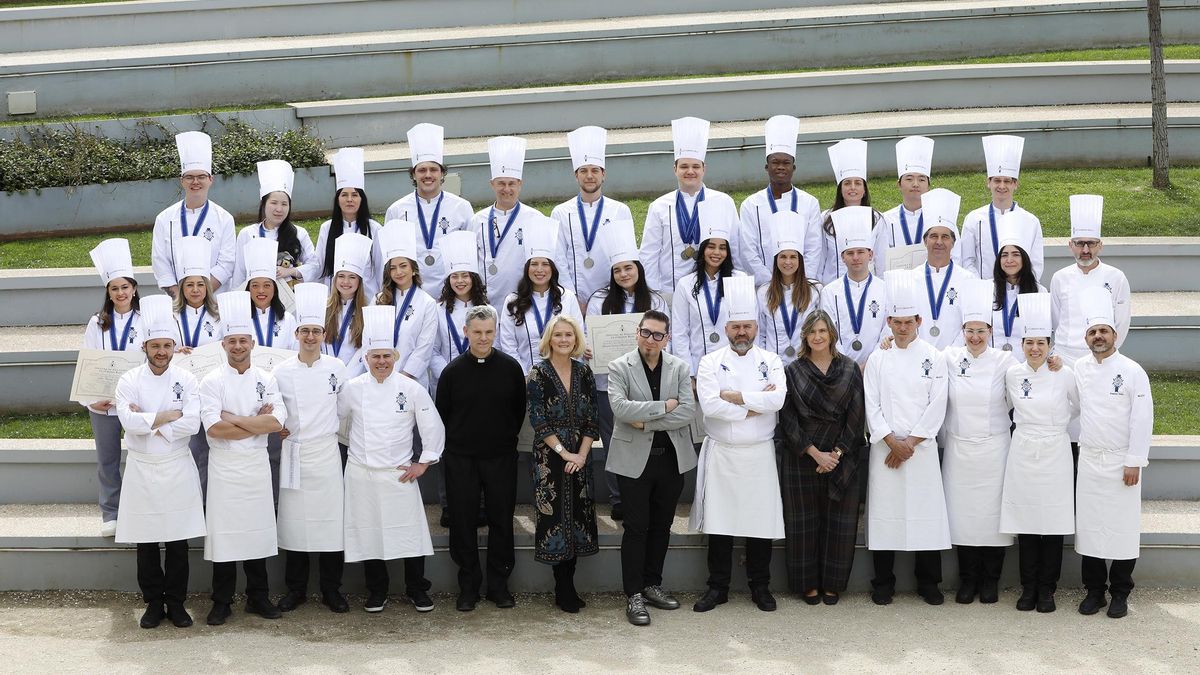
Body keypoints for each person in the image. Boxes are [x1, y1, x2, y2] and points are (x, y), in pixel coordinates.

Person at [339, 305, 445, 613]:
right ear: (365, 358)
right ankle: (377, 591)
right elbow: (334, 419)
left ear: (395, 358)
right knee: (370, 535)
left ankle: (417, 589)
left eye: (387, 356)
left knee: (410, 534)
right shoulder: (353, 389)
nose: (382, 362)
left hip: (399, 474)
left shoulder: (411, 388)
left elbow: (431, 426)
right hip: (362, 473)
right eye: (376, 356)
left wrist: (423, 462)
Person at [691, 276, 786, 613]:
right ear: (726, 327)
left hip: (759, 453)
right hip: (723, 454)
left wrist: (734, 397)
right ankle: (717, 587)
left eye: (747, 326)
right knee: (720, 525)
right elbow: (710, 405)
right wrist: (754, 404)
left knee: (759, 524)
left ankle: (760, 586)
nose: (741, 332)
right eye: (736, 327)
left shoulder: (771, 360)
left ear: (756, 327)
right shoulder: (709, 362)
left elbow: (778, 401)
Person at [113, 295, 205, 629]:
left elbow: (192, 423)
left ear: (174, 347)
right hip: (142, 468)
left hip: (177, 465)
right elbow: (127, 421)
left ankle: (177, 603)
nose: (162, 351)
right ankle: (153, 603)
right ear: (145, 346)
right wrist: (167, 417)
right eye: (156, 345)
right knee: (147, 540)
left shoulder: (188, 379)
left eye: (167, 345)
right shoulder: (129, 380)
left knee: (178, 541)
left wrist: (149, 422)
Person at [199, 290, 288, 626]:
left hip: (255, 468)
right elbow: (214, 431)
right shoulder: (210, 382)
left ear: (253, 343)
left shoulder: (267, 379)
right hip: (224, 469)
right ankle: (221, 601)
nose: (237, 346)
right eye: (231, 341)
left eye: (243, 341)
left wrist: (233, 418)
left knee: (257, 534)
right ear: (223, 345)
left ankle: (258, 597)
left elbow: (276, 422)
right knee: (223, 537)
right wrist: (254, 422)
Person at [863, 272, 950, 606]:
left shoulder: (934, 356)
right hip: (885, 449)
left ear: (919, 320)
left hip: (920, 449)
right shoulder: (878, 358)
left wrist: (909, 444)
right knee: (886, 515)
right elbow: (871, 403)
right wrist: (890, 441)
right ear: (888, 321)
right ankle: (882, 582)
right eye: (896, 322)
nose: (902, 327)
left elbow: (937, 403)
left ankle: (928, 582)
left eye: (908, 322)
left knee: (924, 513)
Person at [606, 310, 697, 626]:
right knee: (636, 527)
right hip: (633, 462)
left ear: (667, 338)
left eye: (659, 335)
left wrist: (644, 421)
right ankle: (633, 594)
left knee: (662, 525)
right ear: (638, 332)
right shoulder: (619, 367)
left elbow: (687, 411)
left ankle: (651, 584)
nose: (651, 340)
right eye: (647, 332)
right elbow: (619, 408)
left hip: (671, 459)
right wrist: (664, 407)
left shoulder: (680, 368)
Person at [435, 305, 528, 611]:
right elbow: (443, 414)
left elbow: (517, 411)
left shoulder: (511, 369)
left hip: (500, 457)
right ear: (466, 332)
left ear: (495, 331)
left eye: (489, 332)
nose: (483, 338)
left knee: (502, 520)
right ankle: (468, 587)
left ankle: (499, 586)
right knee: (463, 523)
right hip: (461, 459)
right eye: (477, 332)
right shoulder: (452, 372)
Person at [1073, 286, 1153, 619]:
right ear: (1086, 337)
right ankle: (1094, 592)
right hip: (1090, 459)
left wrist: (1134, 461)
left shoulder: (1133, 371)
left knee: (1121, 529)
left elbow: (1142, 418)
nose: (1098, 336)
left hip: (1123, 462)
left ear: (1115, 335)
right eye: (1092, 332)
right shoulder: (1078, 368)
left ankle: (1120, 592)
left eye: (1103, 331)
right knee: (1090, 529)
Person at [777, 310, 866, 605]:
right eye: (812, 332)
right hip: (803, 455)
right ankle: (807, 584)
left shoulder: (850, 369)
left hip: (843, 455)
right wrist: (815, 453)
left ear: (832, 335)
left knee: (840, 524)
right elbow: (787, 419)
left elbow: (856, 417)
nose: (817, 337)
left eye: (822, 332)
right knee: (803, 524)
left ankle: (833, 583)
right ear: (804, 336)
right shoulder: (792, 371)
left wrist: (836, 454)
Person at [272, 283, 349, 614]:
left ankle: (332, 590)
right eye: (304, 331)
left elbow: (346, 410)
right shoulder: (281, 371)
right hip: (295, 453)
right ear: (297, 333)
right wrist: (278, 427)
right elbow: (271, 406)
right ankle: (297, 590)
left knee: (331, 524)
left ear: (323, 334)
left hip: (327, 453)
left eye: (316, 331)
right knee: (295, 525)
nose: (310, 337)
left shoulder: (337, 368)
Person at [585, 220, 669, 521]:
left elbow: (665, 340)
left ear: (638, 268)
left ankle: (645, 492)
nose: (624, 274)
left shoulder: (656, 300)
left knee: (649, 437)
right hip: (607, 384)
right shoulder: (598, 300)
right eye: (618, 270)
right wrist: (589, 349)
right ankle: (619, 496)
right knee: (613, 440)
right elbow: (588, 336)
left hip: (648, 383)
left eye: (629, 268)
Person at [941, 280, 1018, 605]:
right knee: (963, 517)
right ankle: (967, 579)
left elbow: (1029, 381)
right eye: (969, 331)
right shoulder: (948, 357)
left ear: (990, 331)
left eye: (981, 331)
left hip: (994, 449)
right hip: (959, 450)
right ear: (962, 330)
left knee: (991, 518)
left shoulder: (1004, 361)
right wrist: (889, 342)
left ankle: (990, 580)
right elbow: (917, 357)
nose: (974, 337)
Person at [1000, 293, 1077, 613]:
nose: (1035, 348)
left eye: (1041, 343)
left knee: (1053, 524)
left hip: (1055, 451)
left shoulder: (1064, 373)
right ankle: (1028, 587)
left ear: (1050, 345)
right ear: (1022, 344)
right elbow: (1005, 406)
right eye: (1029, 342)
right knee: (1028, 522)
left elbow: (1078, 406)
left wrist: (1054, 427)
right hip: (1023, 449)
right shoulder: (1013, 374)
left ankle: (1048, 590)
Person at [526, 315, 600, 613]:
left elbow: (592, 419)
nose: (564, 340)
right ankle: (562, 587)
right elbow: (538, 421)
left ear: (576, 339)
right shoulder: (537, 373)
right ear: (549, 339)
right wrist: (564, 453)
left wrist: (580, 455)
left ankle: (570, 582)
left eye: (569, 334)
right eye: (558, 335)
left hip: (581, 455)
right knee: (555, 518)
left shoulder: (584, 372)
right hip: (550, 457)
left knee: (577, 516)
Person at [639, 117, 744, 294]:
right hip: (669, 289)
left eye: (696, 166)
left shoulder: (723, 201)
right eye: (684, 166)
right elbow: (649, 254)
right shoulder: (659, 206)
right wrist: (655, 292)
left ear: (704, 169)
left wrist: (734, 286)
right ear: (675, 169)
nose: (690, 171)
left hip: (714, 289)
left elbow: (735, 247)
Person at [84, 238, 144, 537]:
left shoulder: (147, 318)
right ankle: (110, 512)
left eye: (125, 287)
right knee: (107, 459)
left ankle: (136, 509)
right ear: (108, 292)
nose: (120, 293)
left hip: (136, 402)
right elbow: (88, 364)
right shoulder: (97, 323)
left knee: (139, 456)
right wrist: (91, 400)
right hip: (103, 403)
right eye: (114, 288)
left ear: (134, 288)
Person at [551, 126, 635, 310]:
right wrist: (571, 300)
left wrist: (615, 298)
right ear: (576, 175)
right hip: (574, 299)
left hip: (613, 298)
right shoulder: (561, 212)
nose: (589, 176)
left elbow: (625, 259)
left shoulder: (620, 210)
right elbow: (559, 260)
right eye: (584, 171)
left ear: (603, 174)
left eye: (595, 170)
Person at [385, 124, 476, 293]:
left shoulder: (461, 207)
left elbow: (471, 255)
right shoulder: (396, 210)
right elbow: (389, 258)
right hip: (411, 292)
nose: (428, 175)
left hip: (452, 291)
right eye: (422, 170)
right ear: (413, 174)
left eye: (433, 169)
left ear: (442, 173)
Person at [738, 115, 823, 287]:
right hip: (765, 287)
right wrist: (771, 283)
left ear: (794, 167)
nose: (781, 167)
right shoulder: (751, 205)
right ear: (766, 167)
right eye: (775, 162)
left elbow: (813, 248)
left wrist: (802, 282)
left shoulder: (809, 203)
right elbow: (748, 251)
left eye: (786, 162)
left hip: (802, 287)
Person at [151, 131, 236, 298]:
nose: (195, 182)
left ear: (211, 179)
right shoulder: (164, 219)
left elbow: (226, 264)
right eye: (189, 177)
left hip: (214, 300)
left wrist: (201, 295)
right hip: (176, 303)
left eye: (201, 176)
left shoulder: (224, 218)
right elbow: (160, 262)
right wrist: (180, 297)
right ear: (181, 180)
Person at [1050, 195, 1132, 363]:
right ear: (1070, 245)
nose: (1085, 249)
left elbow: (1122, 322)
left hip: (1100, 354)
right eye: (1080, 243)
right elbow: (1055, 318)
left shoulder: (1116, 277)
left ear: (1100, 245)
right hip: (1064, 356)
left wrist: (1106, 353)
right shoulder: (1059, 277)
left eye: (1091, 243)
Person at [499, 217, 586, 375]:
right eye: (534, 264)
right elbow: (508, 345)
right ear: (527, 268)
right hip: (524, 378)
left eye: (545, 264)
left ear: (553, 269)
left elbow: (579, 338)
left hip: (564, 377)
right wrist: (525, 377)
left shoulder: (567, 297)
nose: (539, 270)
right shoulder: (512, 301)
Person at [171, 237, 222, 498]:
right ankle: (191, 501)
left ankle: (209, 501)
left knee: (211, 450)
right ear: (181, 287)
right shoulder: (170, 317)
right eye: (189, 285)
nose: (195, 289)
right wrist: (175, 350)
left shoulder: (219, 315)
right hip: (181, 394)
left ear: (207, 287)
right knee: (190, 450)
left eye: (200, 284)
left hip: (212, 392)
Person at [670, 216, 747, 378]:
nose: (717, 253)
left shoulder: (740, 280)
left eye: (722, 248)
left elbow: (750, 327)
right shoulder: (685, 285)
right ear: (703, 249)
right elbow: (680, 333)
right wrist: (688, 375)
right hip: (699, 370)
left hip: (737, 370)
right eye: (711, 246)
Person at [961, 135, 1045, 282]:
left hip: (1019, 293)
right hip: (984, 293)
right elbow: (967, 260)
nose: (1001, 186)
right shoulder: (974, 219)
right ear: (988, 182)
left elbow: (1036, 263)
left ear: (1015, 184)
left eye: (1007, 181)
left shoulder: (1030, 221)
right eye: (997, 181)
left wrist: (1019, 286)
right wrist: (979, 287)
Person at [472, 135, 542, 306]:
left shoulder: (535, 218)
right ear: (492, 184)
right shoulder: (477, 220)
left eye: (511, 183)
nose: (506, 189)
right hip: (485, 301)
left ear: (520, 184)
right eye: (501, 183)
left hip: (523, 300)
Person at [230, 160, 318, 291]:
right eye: (274, 203)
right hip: (256, 300)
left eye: (284, 204)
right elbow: (239, 273)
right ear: (264, 204)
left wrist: (291, 271)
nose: (279, 209)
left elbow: (315, 265)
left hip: (291, 301)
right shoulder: (248, 234)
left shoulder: (299, 233)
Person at [369, 220, 437, 387]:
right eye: (392, 268)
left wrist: (404, 377)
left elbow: (425, 346)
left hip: (412, 381)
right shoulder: (378, 300)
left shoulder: (427, 303)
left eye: (403, 266)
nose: (398, 272)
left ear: (413, 269)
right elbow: (368, 340)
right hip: (378, 378)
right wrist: (378, 374)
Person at [819, 207, 888, 367]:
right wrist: (848, 366)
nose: (856, 258)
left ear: (870, 255)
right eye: (850, 253)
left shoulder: (884, 289)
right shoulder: (830, 292)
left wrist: (870, 363)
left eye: (860, 252)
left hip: (877, 365)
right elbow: (829, 331)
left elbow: (887, 329)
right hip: (840, 368)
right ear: (842, 257)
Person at [312, 147, 385, 298]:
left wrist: (381, 297)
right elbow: (319, 266)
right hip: (335, 299)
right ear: (337, 200)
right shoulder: (327, 228)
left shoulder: (374, 228)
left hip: (367, 298)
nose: (350, 199)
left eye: (355, 195)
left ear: (361, 199)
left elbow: (380, 268)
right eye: (344, 195)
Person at [911, 188, 975, 349]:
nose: (939, 242)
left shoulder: (968, 280)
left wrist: (950, 355)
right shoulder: (911, 278)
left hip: (955, 358)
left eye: (945, 237)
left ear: (953, 242)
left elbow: (970, 323)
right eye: (933, 236)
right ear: (925, 241)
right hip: (918, 357)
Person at [818, 138, 887, 283]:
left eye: (858, 183)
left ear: (864, 190)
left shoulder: (876, 219)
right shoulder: (825, 218)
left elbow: (881, 260)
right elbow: (820, 258)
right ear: (840, 189)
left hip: (868, 289)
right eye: (847, 183)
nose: (853, 188)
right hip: (832, 288)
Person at [756, 213, 822, 365]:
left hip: (807, 365)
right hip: (774, 365)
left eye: (793, 257)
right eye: (782, 256)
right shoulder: (763, 292)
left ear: (800, 260)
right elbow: (762, 335)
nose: (788, 262)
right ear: (775, 260)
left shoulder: (815, 290)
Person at [875, 136, 937, 271]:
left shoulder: (939, 217)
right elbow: (879, 261)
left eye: (921, 179)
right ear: (899, 184)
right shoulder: (885, 220)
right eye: (909, 179)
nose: (915, 184)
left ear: (928, 185)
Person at [988, 214, 1045, 357]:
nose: (1009, 260)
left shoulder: (1039, 292)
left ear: (1024, 259)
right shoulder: (987, 290)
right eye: (1004, 255)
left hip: (1026, 367)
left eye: (1015, 254)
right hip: (992, 367)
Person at [321, 232, 373, 366]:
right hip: (325, 373)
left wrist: (348, 377)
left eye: (352, 277)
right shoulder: (322, 308)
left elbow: (364, 349)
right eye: (341, 276)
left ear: (359, 281)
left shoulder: (367, 312)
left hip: (354, 377)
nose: (345, 281)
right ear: (335, 279)